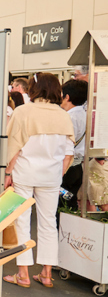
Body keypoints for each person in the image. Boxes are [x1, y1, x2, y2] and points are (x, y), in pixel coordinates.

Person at [3, 73, 74, 289]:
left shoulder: (23, 112)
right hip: (51, 176)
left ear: (34, 88)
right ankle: (46, 273)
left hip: (24, 173)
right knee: (48, 223)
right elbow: (69, 153)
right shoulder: (63, 115)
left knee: (22, 221)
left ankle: (23, 273)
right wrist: (57, 173)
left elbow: (13, 148)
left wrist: (8, 174)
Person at [60, 79, 87, 208]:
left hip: (67, 166)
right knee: (70, 201)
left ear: (67, 97)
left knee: (61, 203)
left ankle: (61, 228)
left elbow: (66, 142)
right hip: (78, 166)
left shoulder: (69, 117)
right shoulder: (84, 114)